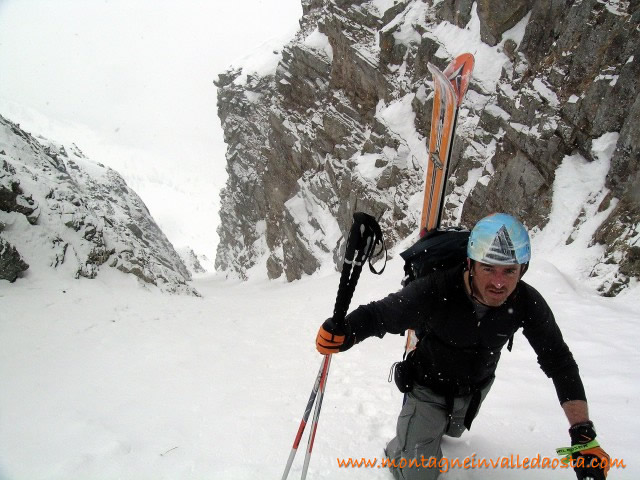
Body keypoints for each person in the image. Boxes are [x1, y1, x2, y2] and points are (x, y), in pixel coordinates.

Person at [316, 213, 610, 480]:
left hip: (474, 390)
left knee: (452, 431)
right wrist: (347, 332)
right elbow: (379, 315)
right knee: (417, 475)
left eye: (509, 271)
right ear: (470, 264)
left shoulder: (526, 302)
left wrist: (582, 433)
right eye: (488, 268)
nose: (498, 282)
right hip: (427, 388)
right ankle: (401, 450)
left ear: (523, 269)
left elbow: (558, 361)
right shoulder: (436, 290)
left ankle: (426, 434)